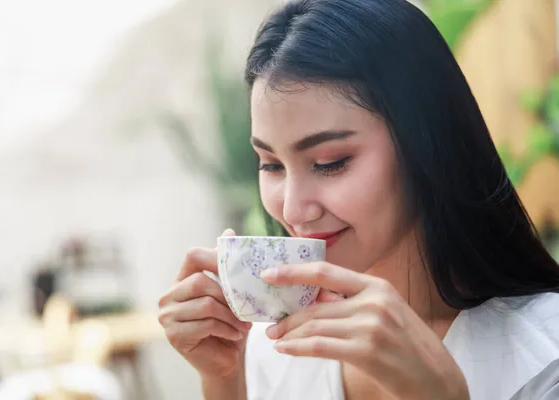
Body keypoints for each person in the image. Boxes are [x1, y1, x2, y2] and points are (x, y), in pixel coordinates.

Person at [157, 0, 559, 399]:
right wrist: (224, 381)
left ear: (426, 143)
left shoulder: (544, 354)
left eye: (331, 162)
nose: (294, 210)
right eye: (271, 164)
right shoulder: (269, 346)